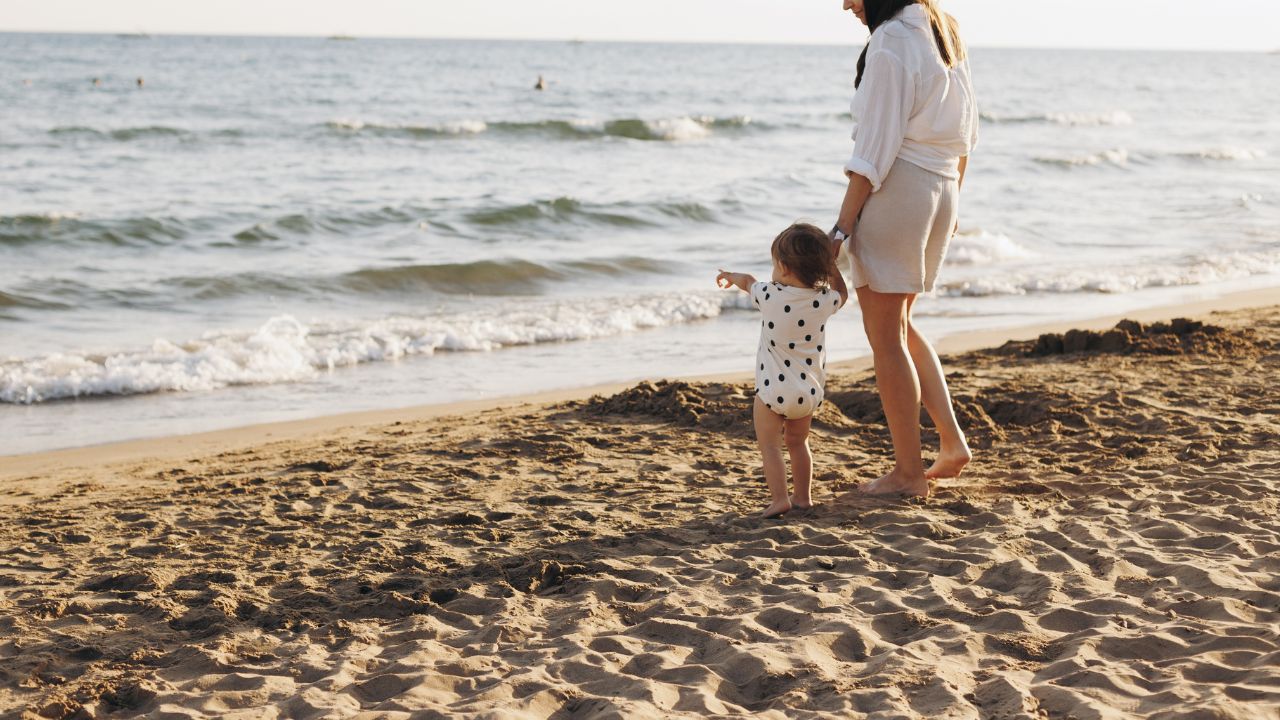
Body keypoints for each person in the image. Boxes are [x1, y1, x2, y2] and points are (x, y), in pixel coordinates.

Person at [832, 0, 979, 497]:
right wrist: (953, 206)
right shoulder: (943, 30)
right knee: (901, 325)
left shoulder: (893, 39)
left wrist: (840, 230)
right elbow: (967, 136)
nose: (846, 4)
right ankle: (952, 443)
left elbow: (873, 150)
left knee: (885, 337)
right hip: (941, 189)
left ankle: (909, 474)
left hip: (901, 193)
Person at [717, 223, 847, 518]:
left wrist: (728, 276)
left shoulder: (769, 295)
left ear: (785, 268)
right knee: (798, 443)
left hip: (772, 391)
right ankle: (802, 497)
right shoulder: (824, 300)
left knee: (771, 447)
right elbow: (843, 293)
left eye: (774, 264)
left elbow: (748, 281)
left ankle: (779, 499)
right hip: (808, 392)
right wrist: (833, 265)